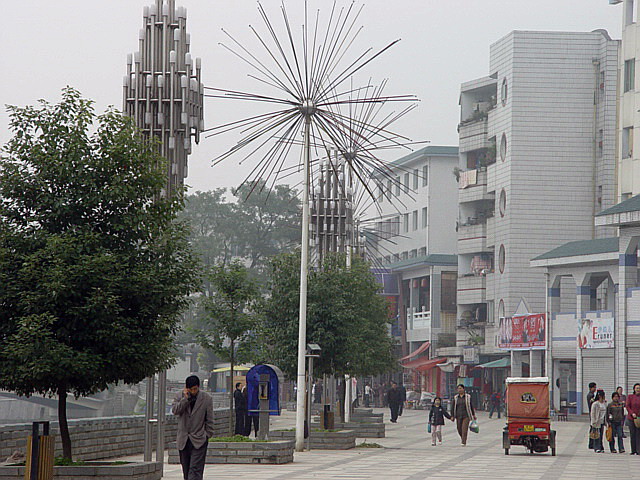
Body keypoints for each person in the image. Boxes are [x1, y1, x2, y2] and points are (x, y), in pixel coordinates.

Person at [172, 375, 214, 480]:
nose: (193, 391)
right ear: (187, 388)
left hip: (199, 439)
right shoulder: (179, 396)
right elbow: (175, 411)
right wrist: (185, 399)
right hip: (184, 440)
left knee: (195, 470)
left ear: (198, 387)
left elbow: (210, 419)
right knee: (186, 471)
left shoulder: (206, 398)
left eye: (195, 389)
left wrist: (207, 435)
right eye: (191, 389)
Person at [626, 383, 640, 455]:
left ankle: (638, 450)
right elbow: (627, 406)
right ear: (634, 389)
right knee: (632, 434)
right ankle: (633, 450)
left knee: (638, 434)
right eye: (637, 388)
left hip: (639, 418)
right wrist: (632, 413)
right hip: (631, 418)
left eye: (639, 388)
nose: (638, 389)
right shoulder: (630, 396)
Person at [586, 382, 597, 449]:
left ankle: (592, 443)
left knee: (593, 428)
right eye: (594, 387)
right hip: (592, 413)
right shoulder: (590, 395)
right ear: (590, 388)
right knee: (593, 428)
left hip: (592, 413)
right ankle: (591, 443)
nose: (595, 389)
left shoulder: (592, 395)